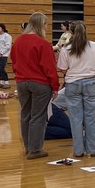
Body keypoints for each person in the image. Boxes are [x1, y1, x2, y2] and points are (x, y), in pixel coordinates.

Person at [11, 12, 60, 159]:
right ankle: (35, 149)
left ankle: (28, 146)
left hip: (21, 82)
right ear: (41, 25)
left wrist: (19, 76)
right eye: (46, 24)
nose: (47, 27)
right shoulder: (43, 43)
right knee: (38, 116)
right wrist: (55, 86)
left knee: (25, 114)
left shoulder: (18, 41)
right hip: (40, 83)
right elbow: (49, 67)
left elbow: (14, 61)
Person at [56, 21, 95, 158]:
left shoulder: (66, 49)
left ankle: (78, 151)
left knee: (75, 118)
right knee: (91, 118)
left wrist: (70, 76)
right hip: (90, 82)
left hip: (72, 84)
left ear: (70, 32)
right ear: (85, 30)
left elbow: (62, 68)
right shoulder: (94, 46)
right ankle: (93, 149)